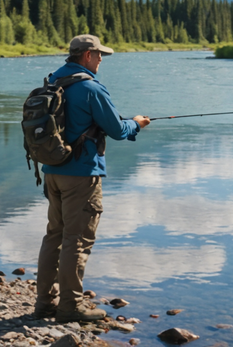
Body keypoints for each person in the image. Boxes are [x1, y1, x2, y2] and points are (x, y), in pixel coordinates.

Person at [34, 34, 150, 323]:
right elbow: (117, 130)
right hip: (82, 176)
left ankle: (44, 303)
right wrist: (136, 123)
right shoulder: (90, 88)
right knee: (77, 240)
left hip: (52, 171)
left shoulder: (53, 82)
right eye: (99, 55)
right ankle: (70, 308)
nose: (101, 60)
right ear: (86, 55)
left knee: (54, 236)